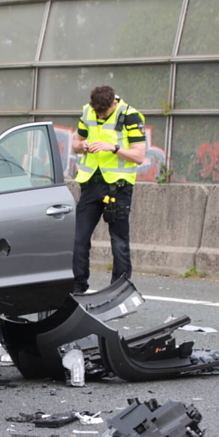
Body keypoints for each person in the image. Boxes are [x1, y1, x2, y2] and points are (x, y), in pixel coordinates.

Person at [71, 86, 147, 294]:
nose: (100, 115)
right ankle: (77, 287)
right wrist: (83, 145)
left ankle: (119, 290)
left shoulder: (130, 116)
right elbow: (75, 144)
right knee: (78, 238)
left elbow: (139, 156)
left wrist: (112, 148)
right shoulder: (88, 111)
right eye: (97, 112)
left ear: (114, 103)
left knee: (119, 240)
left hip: (118, 187)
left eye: (103, 113)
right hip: (90, 183)